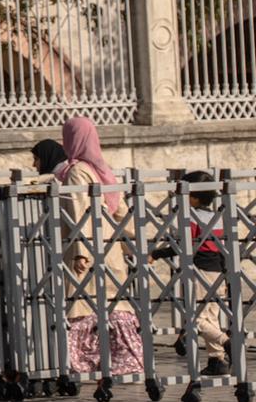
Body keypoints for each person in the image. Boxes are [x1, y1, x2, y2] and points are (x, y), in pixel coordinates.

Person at [57, 116, 142, 375]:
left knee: (83, 306)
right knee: (115, 305)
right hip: (110, 248)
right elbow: (121, 213)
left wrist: (82, 252)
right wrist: (132, 243)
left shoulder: (76, 172)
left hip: (87, 249)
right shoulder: (102, 169)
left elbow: (79, 211)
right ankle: (127, 361)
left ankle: (85, 363)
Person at [151, 171, 232, 378]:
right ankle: (217, 360)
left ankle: (227, 343)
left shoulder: (192, 217)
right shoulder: (218, 216)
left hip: (201, 272)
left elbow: (183, 246)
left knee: (195, 318)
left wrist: (157, 253)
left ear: (194, 197)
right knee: (210, 316)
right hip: (218, 271)